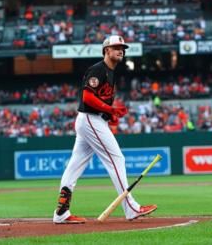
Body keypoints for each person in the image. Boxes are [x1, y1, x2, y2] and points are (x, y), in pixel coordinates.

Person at [53, 35, 157, 224]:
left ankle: (61, 213)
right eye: (116, 47)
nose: (120, 50)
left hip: (93, 120)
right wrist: (110, 109)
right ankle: (131, 208)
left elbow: (101, 102)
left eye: (122, 48)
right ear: (106, 50)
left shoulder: (111, 72)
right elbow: (87, 98)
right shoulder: (98, 69)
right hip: (90, 120)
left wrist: (111, 115)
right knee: (116, 159)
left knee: (74, 167)